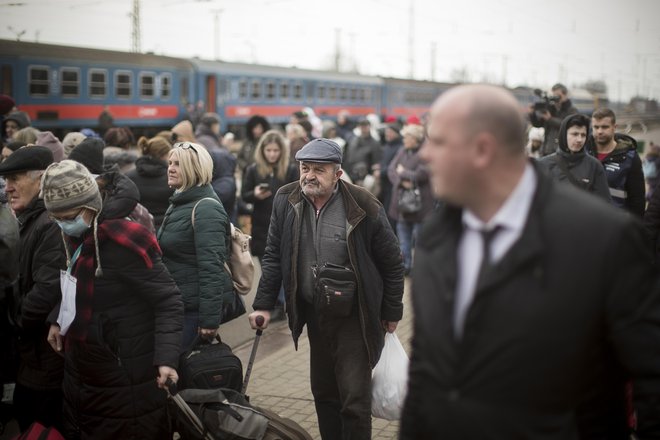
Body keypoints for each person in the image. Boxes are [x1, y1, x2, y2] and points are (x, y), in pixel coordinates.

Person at [399, 84, 660, 439]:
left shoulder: (603, 239)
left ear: (482, 150)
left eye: (438, 142)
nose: (425, 154)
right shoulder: (436, 239)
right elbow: (426, 372)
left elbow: (651, 376)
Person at [248, 138, 404, 440]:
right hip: (315, 313)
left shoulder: (364, 204)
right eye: (305, 168)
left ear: (338, 173)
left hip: (355, 316)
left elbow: (392, 262)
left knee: (354, 398)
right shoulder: (286, 199)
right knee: (323, 392)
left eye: (319, 169)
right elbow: (273, 254)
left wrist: (392, 311)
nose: (309, 175)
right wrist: (263, 305)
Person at [40, 160, 182, 439]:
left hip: (124, 376)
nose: (63, 223)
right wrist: (58, 318)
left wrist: (166, 359)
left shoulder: (122, 243)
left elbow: (169, 300)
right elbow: (81, 285)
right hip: (83, 373)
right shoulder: (80, 235)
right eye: (56, 217)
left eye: (68, 216)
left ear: (91, 207)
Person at [0, 146, 64, 432]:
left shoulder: (49, 223)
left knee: (37, 422)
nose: (8, 187)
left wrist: (13, 324)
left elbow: (45, 291)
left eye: (15, 178)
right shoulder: (32, 218)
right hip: (33, 354)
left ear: (41, 180)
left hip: (42, 358)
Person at [157, 142, 234, 350]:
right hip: (180, 302)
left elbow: (212, 268)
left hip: (194, 310)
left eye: (178, 164)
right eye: (170, 162)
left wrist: (209, 320)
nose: (170, 168)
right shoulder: (180, 202)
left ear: (195, 169)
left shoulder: (205, 208)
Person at [241, 130, 298, 320]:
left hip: (283, 225)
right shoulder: (253, 170)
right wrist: (254, 194)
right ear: (262, 150)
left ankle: (280, 304)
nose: (272, 154)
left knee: (281, 265)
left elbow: (298, 195)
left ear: (282, 151)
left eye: (275, 150)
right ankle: (275, 302)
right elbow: (244, 195)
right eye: (269, 150)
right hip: (261, 225)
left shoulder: (290, 170)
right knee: (266, 266)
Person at [387, 124, 434, 275]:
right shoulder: (402, 151)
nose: (405, 140)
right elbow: (391, 170)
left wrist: (403, 172)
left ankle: (419, 268)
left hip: (420, 205)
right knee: (403, 239)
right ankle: (406, 266)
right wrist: (402, 180)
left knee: (419, 240)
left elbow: (422, 174)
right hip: (402, 204)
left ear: (416, 139)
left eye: (408, 137)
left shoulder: (424, 153)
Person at [539, 113, 612, 203]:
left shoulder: (594, 166)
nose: (579, 140)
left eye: (583, 135)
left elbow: (604, 205)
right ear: (563, 135)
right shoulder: (544, 164)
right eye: (575, 134)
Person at [587, 107, 645, 217]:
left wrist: (634, 229)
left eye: (604, 127)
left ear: (614, 127)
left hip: (615, 224)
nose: (599, 131)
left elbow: (637, 200)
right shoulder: (584, 152)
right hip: (586, 220)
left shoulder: (630, 158)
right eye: (596, 127)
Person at [126, 136, 174, 229]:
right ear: (164, 155)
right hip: (167, 227)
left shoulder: (129, 176)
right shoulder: (173, 177)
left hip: (138, 228)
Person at [529, 83, 578, 157]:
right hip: (546, 150)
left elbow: (569, 125)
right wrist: (532, 114)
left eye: (558, 96)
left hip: (561, 152)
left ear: (565, 95)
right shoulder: (551, 109)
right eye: (553, 96)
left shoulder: (572, 110)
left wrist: (550, 119)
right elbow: (537, 124)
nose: (556, 98)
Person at [343, 119, 381, 186]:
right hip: (350, 174)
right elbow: (347, 156)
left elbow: (376, 161)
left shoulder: (374, 143)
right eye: (362, 126)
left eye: (365, 126)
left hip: (365, 178)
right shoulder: (353, 140)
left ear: (369, 127)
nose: (364, 128)